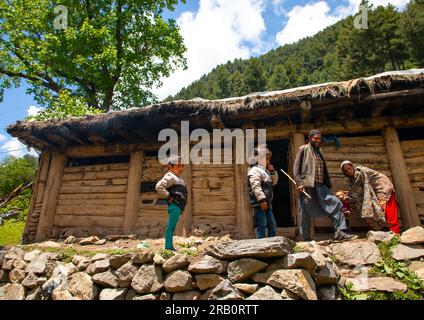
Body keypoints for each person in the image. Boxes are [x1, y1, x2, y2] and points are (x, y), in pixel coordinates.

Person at [293, 129, 357, 242]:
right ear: (310, 139)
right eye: (315, 138)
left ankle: (340, 232)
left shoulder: (320, 151)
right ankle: (305, 238)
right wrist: (299, 182)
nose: (318, 140)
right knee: (305, 211)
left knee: (336, 203)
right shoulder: (303, 149)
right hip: (308, 185)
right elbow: (296, 168)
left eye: (319, 138)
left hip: (321, 186)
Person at [340, 160, 400, 234]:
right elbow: (356, 191)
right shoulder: (352, 180)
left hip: (383, 186)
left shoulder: (360, 171)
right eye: (346, 171)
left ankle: (395, 232)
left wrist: (349, 195)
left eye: (349, 168)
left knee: (388, 209)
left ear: (352, 166)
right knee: (372, 208)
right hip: (373, 191)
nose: (349, 171)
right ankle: (376, 231)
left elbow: (357, 190)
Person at [155, 155, 188, 251]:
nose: (181, 168)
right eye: (178, 166)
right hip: (174, 205)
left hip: (177, 206)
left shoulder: (177, 178)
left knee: (172, 226)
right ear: (170, 167)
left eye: (182, 166)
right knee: (171, 227)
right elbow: (159, 187)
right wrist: (168, 197)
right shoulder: (170, 176)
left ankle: (169, 246)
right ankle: (168, 247)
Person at [248, 145, 278, 239]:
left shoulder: (266, 171)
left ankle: (272, 244)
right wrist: (261, 200)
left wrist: (272, 171)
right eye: (265, 159)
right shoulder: (255, 170)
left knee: (272, 224)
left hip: (267, 203)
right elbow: (255, 186)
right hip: (260, 203)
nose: (268, 161)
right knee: (262, 224)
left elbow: (274, 182)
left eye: (268, 159)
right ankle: (260, 245)